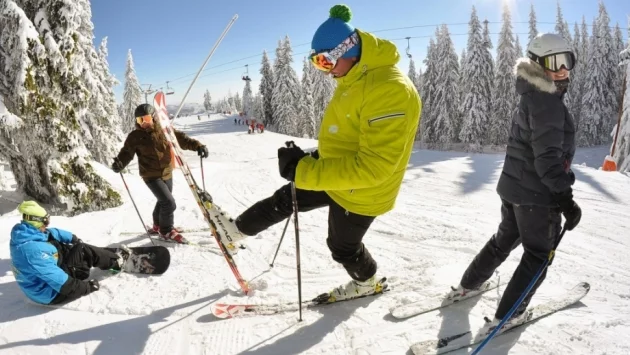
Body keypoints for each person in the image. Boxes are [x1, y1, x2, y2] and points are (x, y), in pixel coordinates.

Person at [217, 4, 421, 300]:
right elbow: (349, 135)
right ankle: (236, 231)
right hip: (339, 172)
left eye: (326, 62)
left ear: (348, 48)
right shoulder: (354, 76)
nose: (324, 71)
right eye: (317, 63)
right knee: (288, 196)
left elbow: (374, 167)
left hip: (363, 191)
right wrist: (308, 159)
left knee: (342, 247)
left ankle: (368, 282)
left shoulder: (389, 90)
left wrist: (304, 169)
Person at [447, 33, 582, 331]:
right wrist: (565, 199)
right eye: (554, 62)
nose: (563, 69)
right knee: (537, 256)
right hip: (536, 197)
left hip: (514, 190)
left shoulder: (532, 94)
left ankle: (467, 285)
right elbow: (547, 159)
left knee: (502, 242)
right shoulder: (548, 103)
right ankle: (509, 315)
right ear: (537, 64)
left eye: (567, 61)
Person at [112, 103, 210, 244]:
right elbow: (127, 152)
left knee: (163, 201)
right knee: (169, 203)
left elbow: (182, 140)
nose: (144, 123)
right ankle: (166, 231)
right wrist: (120, 163)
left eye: (146, 119)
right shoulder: (135, 136)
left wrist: (198, 146)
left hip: (167, 172)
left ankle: (158, 225)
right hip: (150, 175)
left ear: (154, 117)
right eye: (140, 120)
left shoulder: (165, 130)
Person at [9, 201, 131, 305]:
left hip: (42, 285)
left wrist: (72, 238)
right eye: (45, 222)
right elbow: (61, 282)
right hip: (53, 293)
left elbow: (52, 233)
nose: (47, 225)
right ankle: (117, 262)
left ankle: (97, 255)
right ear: (36, 221)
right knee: (82, 250)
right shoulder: (33, 252)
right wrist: (87, 288)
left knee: (60, 245)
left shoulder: (24, 235)